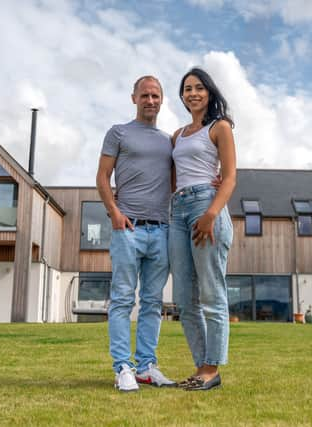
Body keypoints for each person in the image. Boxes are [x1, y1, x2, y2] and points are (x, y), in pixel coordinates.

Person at [96, 75, 177, 392]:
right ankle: (123, 368)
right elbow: (102, 177)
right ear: (134, 98)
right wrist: (114, 213)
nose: (151, 100)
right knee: (121, 301)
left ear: (162, 99)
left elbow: (174, 182)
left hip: (161, 231)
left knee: (153, 303)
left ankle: (146, 367)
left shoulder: (168, 141)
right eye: (145, 95)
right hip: (128, 229)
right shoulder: (118, 133)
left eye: (156, 95)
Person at [169, 67, 236, 391]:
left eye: (198, 87)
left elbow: (231, 176)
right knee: (184, 298)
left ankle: (212, 368)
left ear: (209, 92)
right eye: (187, 89)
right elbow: (173, 175)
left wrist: (211, 213)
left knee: (211, 293)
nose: (192, 93)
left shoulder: (219, 127)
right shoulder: (177, 135)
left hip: (205, 207)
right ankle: (200, 367)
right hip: (178, 211)